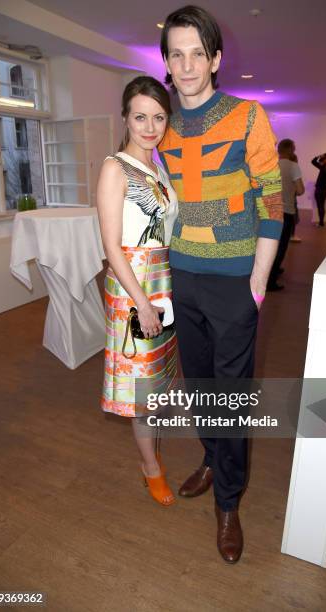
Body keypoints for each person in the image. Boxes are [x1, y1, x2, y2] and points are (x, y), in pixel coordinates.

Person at [158, 5, 283, 563]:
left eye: (196, 53)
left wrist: (257, 279)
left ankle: (228, 502)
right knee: (200, 384)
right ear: (166, 61)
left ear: (216, 58)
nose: (187, 65)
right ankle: (212, 459)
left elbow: (274, 202)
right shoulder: (160, 124)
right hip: (183, 276)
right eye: (176, 53)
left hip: (234, 279)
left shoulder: (249, 115)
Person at [96, 76, 178, 506]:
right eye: (141, 116)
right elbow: (112, 246)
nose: (150, 126)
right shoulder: (116, 166)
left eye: (159, 117)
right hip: (135, 288)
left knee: (158, 382)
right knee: (143, 394)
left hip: (161, 283)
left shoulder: (157, 167)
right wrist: (142, 303)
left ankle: (153, 454)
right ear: (125, 117)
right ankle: (151, 469)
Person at [268, 139, 304, 290]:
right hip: (286, 211)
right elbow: (301, 190)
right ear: (290, 149)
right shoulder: (293, 166)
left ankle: (268, 273)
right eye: (294, 149)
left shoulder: (271, 164)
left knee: (268, 245)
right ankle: (270, 282)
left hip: (269, 211)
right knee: (281, 247)